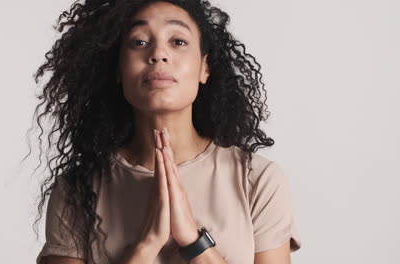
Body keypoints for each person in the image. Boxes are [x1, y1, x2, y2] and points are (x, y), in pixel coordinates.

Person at [30, 0, 302, 263]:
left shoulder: (257, 179)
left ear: (204, 68)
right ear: (118, 70)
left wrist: (193, 241)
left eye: (178, 41)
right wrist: (148, 242)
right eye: (139, 42)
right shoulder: (77, 189)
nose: (158, 54)